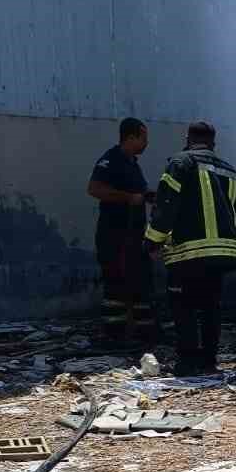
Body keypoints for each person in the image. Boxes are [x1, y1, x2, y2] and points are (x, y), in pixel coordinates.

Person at [144, 122, 236, 376]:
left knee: (184, 306)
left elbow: (166, 205)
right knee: (210, 306)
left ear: (187, 138)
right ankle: (209, 362)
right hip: (222, 253)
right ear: (213, 143)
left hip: (189, 253)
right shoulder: (230, 171)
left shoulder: (181, 163)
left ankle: (188, 363)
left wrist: (152, 241)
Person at [87, 117, 156, 346]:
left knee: (140, 281)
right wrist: (129, 198)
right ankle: (115, 335)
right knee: (116, 283)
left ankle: (145, 334)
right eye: (144, 138)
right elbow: (95, 189)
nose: (147, 143)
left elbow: (137, 193)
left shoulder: (132, 163)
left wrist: (149, 197)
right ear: (131, 136)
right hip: (114, 234)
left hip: (135, 235)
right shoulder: (111, 159)